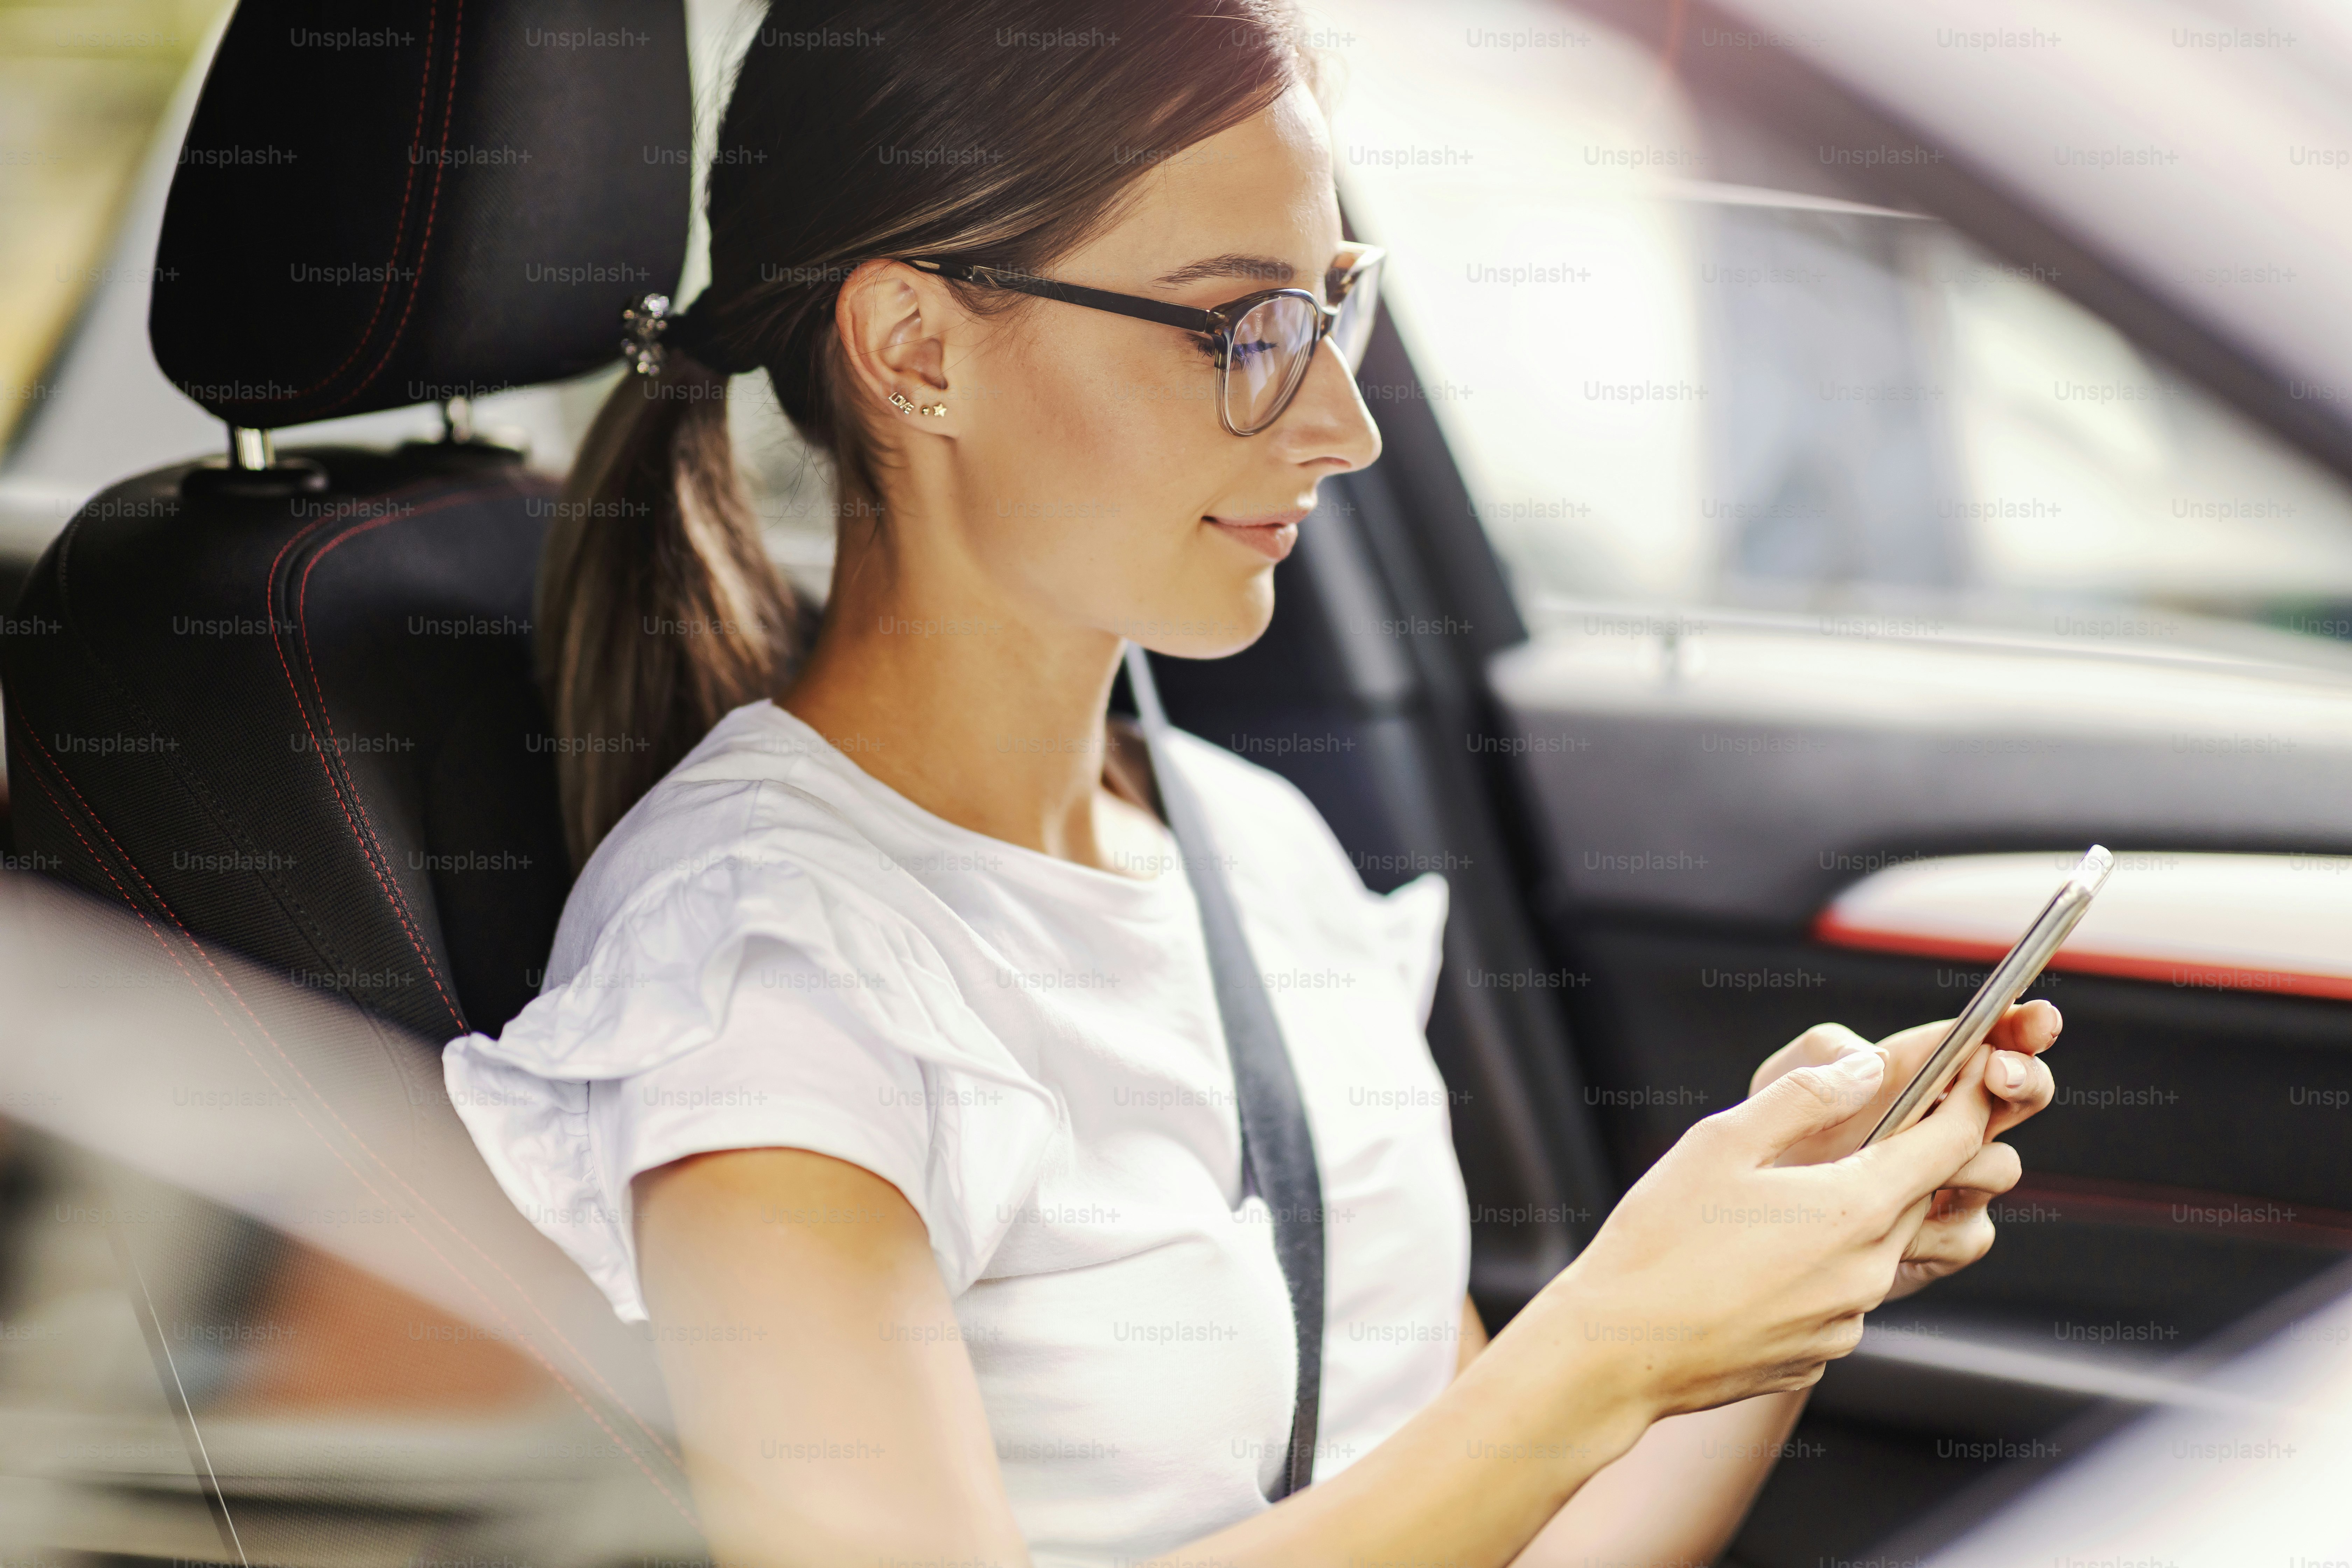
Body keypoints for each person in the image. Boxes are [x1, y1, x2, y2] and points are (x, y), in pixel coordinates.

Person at [443, 3, 2062, 1563]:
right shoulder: (763, 987)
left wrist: (1772, 1283)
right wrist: (1609, 1343)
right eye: (1243, 327)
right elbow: (1529, 1431)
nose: (1343, 426)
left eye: (1330, 304)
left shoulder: (1253, 851)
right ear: (916, 348)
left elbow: (1504, 1525)